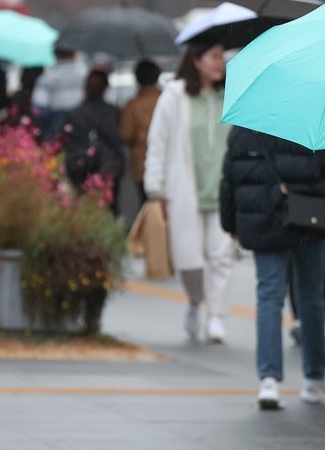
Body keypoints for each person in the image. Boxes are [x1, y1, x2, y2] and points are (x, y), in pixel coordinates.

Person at [220, 128, 325, 409]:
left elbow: (230, 179)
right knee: (311, 300)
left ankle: (269, 380)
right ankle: (313, 378)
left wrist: (230, 224)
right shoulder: (312, 123)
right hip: (308, 220)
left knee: (268, 297)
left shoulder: (244, 128)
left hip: (263, 220)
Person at [144, 41, 234, 344]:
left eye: (222, 57)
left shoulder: (230, 97)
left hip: (222, 190)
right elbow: (158, 142)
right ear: (196, 61)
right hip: (185, 191)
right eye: (214, 57)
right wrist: (154, 187)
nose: (220, 63)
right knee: (190, 259)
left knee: (221, 257)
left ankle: (217, 316)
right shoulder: (175, 96)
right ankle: (196, 301)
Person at [64, 69, 124, 212]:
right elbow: (117, 139)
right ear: (105, 88)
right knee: (109, 209)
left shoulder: (74, 113)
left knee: (82, 209)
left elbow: (67, 140)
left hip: (80, 165)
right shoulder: (112, 112)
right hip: (109, 165)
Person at [119, 59, 162, 203]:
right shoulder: (166, 100)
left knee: (146, 205)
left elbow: (126, 135)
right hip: (167, 161)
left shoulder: (132, 105)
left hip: (142, 163)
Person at [32, 44, 87, 140]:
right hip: (81, 126)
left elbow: (39, 108)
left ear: (55, 55)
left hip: (55, 127)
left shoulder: (47, 78)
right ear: (75, 54)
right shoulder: (85, 77)